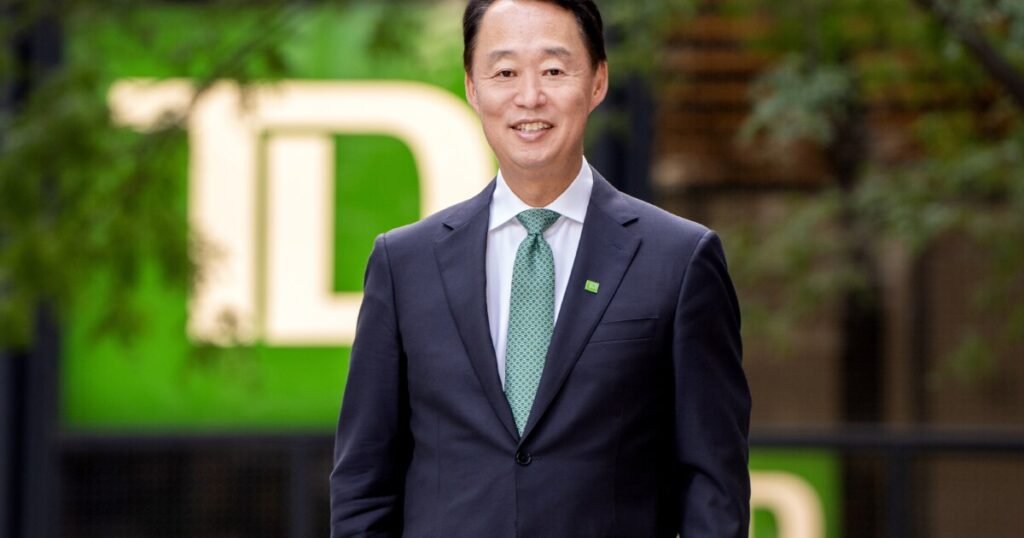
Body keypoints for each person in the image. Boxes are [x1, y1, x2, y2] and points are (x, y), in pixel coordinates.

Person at [329, 0, 751, 536]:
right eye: (505, 72)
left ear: (597, 81)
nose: (529, 96)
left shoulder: (679, 259)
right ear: (472, 87)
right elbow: (364, 480)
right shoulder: (405, 264)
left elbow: (714, 489)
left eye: (553, 70)